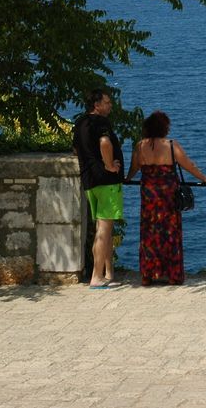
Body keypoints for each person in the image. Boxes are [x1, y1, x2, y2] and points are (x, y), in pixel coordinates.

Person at [127, 110, 206, 286]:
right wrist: (205, 179)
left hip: (149, 197)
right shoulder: (171, 145)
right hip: (168, 197)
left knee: (149, 233)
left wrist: (126, 179)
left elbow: (134, 168)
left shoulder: (140, 146)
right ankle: (173, 275)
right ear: (164, 128)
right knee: (170, 233)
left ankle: (148, 274)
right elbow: (189, 165)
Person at [72, 89, 125, 289]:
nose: (110, 105)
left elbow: (76, 149)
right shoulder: (100, 122)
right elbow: (104, 143)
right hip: (106, 182)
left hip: (89, 180)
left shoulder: (80, 123)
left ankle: (106, 272)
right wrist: (109, 165)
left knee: (101, 229)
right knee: (104, 230)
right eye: (107, 102)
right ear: (97, 105)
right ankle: (96, 277)